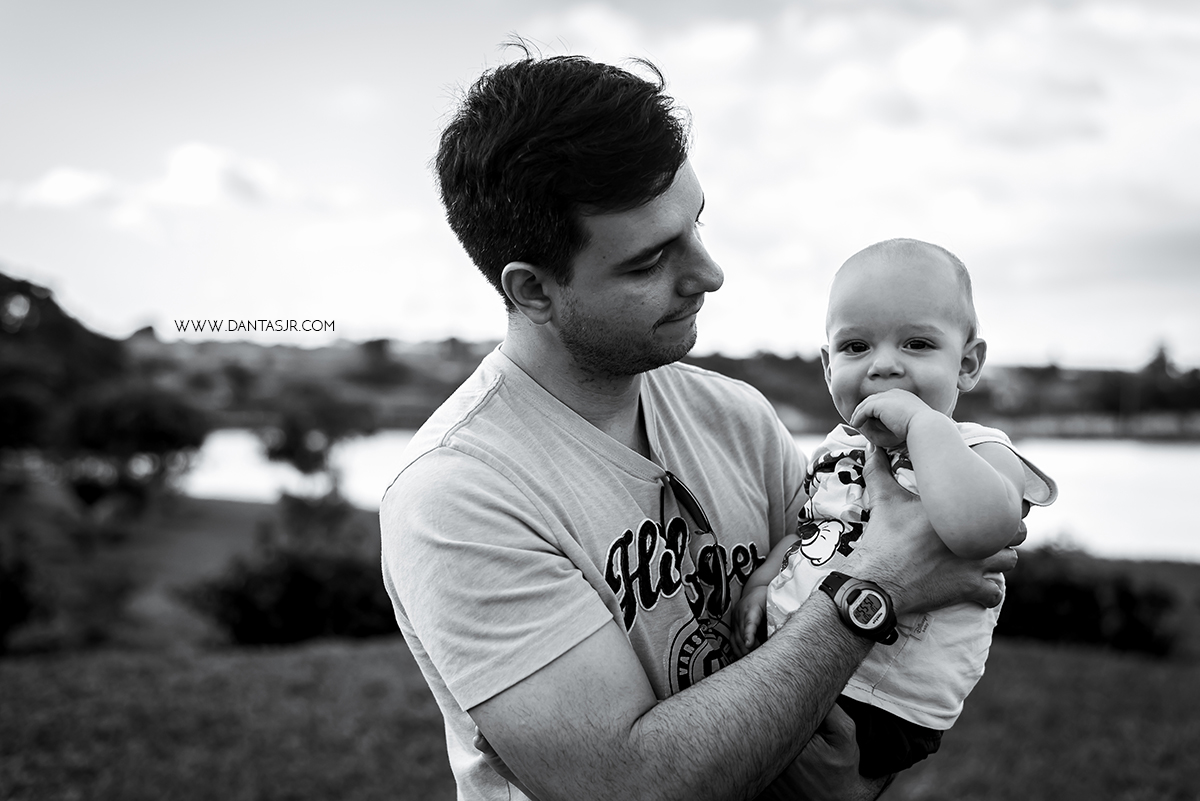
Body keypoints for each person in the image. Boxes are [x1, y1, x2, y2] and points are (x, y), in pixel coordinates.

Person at [380, 50, 1020, 801]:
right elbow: (628, 786)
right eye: (652, 258)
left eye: (697, 223)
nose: (710, 272)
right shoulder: (459, 496)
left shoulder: (736, 415)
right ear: (534, 290)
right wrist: (875, 590)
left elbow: (862, 679)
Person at [735, 238, 1058, 779]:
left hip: (884, 703)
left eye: (917, 344)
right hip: (795, 662)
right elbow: (816, 531)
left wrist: (925, 426)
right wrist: (764, 583)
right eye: (856, 347)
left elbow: (981, 531)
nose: (884, 366)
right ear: (826, 364)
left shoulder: (980, 449)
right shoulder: (839, 450)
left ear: (968, 364)